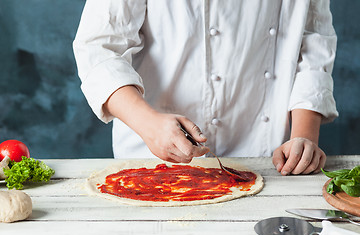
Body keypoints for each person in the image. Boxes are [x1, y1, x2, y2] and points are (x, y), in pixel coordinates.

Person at [73, 0, 338, 176]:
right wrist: (149, 125)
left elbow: (314, 40)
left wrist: (303, 138)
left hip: (267, 159)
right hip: (153, 154)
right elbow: (99, 48)